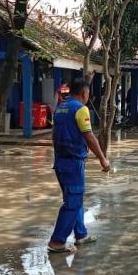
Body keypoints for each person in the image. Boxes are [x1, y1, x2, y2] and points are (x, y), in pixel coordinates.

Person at [48, 78, 110, 254]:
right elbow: (89, 136)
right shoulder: (81, 109)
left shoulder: (60, 108)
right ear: (84, 93)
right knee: (73, 202)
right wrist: (102, 158)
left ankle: (81, 234)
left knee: (75, 199)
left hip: (60, 161)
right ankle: (57, 241)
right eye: (88, 93)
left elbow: (54, 134)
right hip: (73, 162)